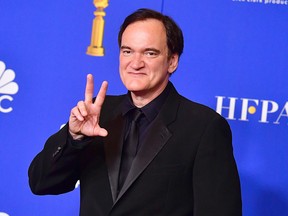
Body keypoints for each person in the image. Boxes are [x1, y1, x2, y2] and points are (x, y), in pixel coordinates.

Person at [28, 8, 242, 216]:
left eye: (149, 53)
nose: (135, 63)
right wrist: (74, 137)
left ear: (172, 61)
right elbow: (41, 183)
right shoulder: (98, 113)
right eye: (127, 51)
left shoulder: (203, 127)